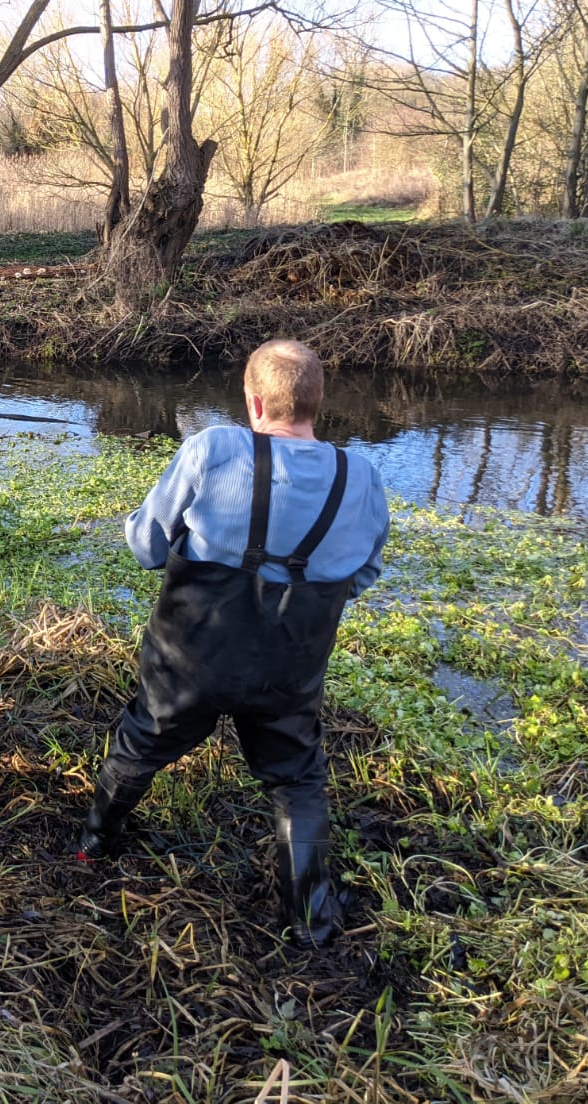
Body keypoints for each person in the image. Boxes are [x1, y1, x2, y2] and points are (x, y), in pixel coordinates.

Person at [77, 339, 389, 947]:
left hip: (189, 656)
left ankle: (94, 844)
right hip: (289, 668)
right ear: (319, 403)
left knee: (142, 741)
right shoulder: (363, 477)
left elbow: (146, 547)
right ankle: (309, 922)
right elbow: (361, 577)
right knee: (297, 780)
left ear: (253, 400)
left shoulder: (212, 448)